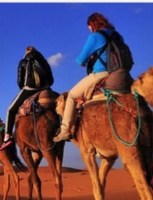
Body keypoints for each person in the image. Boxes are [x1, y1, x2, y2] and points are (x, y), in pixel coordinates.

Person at [53, 12, 123, 143]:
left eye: (89, 27)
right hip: (121, 74)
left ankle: (65, 130)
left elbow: (80, 60)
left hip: (102, 74)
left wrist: (86, 61)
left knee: (72, 96)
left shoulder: (96, 36)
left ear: (92, 25)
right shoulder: (118, 36)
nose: (89, 30)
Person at [0, 46, 54, 151]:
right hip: (46, 88)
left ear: (26, 52)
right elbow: (51, 79)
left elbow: (20, 80)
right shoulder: (44, 61)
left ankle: (7, 137)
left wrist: (24, 89)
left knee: (10, 109)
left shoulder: (23, 61)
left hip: (29, 89)